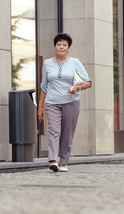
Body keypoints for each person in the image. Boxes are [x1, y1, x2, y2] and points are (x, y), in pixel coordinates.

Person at [38, 33, 92, 172]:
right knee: (54, 131)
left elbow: (88, 82)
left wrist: (77, 87)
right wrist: (40, 107)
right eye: (58, 44)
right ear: (55, 46)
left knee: (67, 134)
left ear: (68, 48)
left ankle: (64, 163)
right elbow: (44, 86)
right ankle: (53, 160)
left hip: (71, 102)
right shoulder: (47, 63)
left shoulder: (75, 62)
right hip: (52, 102)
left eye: (64, 45)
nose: (61, 47)